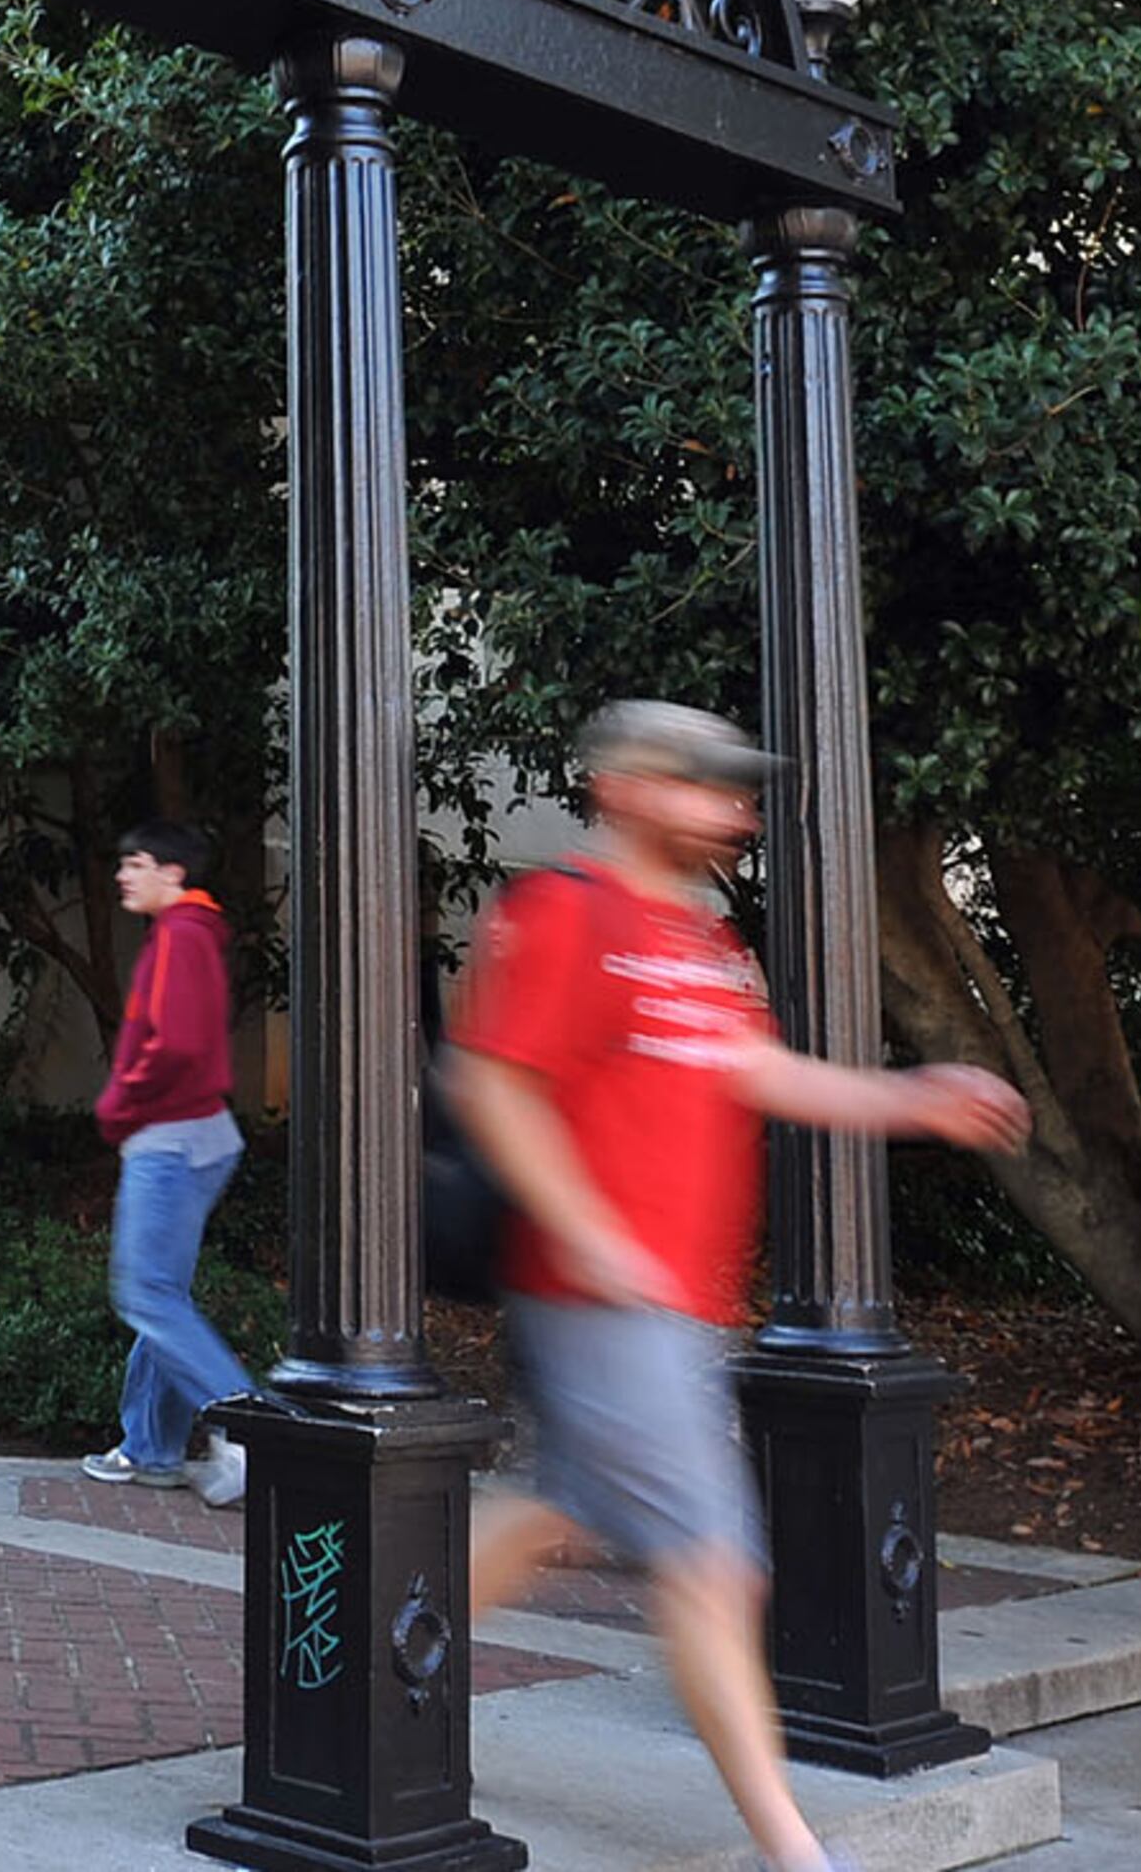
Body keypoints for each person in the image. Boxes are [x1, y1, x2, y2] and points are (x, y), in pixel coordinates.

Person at [447, 700, 1029, 1872]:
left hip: (669, 1304)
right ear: (623, 788)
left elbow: (756, 1071)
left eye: (735, 789)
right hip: (603, 1300)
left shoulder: (702, 938)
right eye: (704, 784)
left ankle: (368, 1669)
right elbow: (492, 1084)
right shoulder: (565, 912)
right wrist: (591, 1234)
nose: (734, 810)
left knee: (564, 1510)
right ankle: (793, 1849)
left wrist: (911, 1099)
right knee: (714, 1566)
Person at [77, 820, 255, 1509]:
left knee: (146, 1294)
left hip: (172, 1137)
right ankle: (151, 1447)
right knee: (162, 1297)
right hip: (197, 1133)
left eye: (138, 863)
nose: (124, 874)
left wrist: (118, 1104)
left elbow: (175, 1045)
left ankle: (250, 1428)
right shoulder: (189, 934)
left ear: (174, 873)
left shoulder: (180, 936)